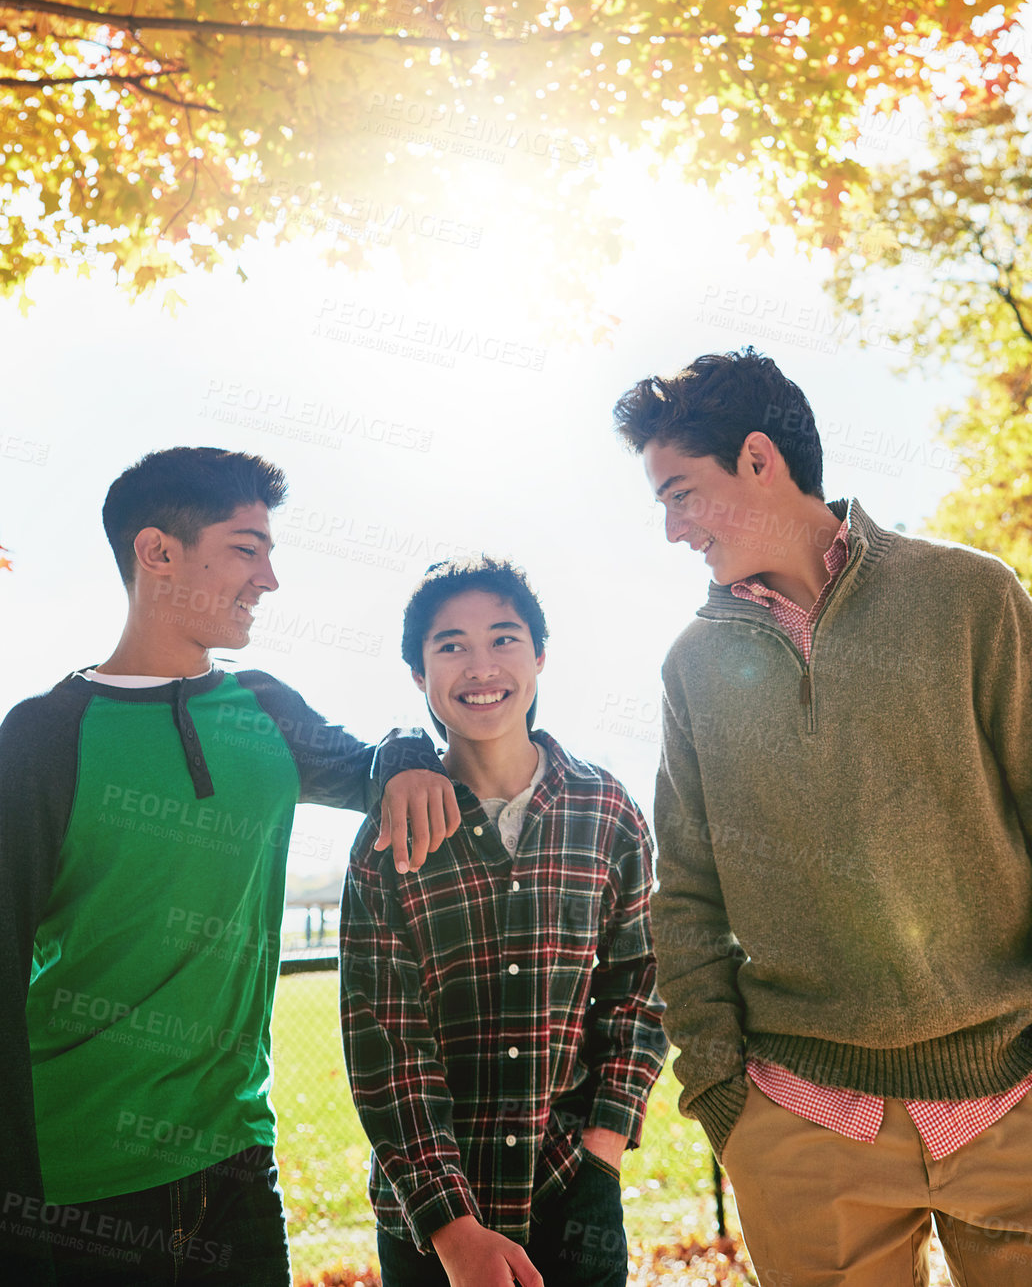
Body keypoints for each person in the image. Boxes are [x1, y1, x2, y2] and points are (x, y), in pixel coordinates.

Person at [611, 347, 1032, 1287]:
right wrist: (727, 1096)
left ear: (755, 458)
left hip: (1026, 1105)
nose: (671, 530)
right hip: (801, 1128)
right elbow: (686, 896)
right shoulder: (692, 665)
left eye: (680, 493)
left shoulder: (968, 596)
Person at [0, 447, 454, 1286]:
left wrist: (410, 748)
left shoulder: (266, 709)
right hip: (70, 1186)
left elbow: (374, 765)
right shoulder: (40, 738)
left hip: (239, 1169)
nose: (270, 579)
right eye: (247, 549)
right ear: (157, 552)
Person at [340, 556, 667, 1287]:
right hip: (429, 1226)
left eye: (504, 638)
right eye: (450, 645)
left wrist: (604, 1147)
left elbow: (640, 986)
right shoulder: (391, 839)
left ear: (541, 655)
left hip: (572, 1195)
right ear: (419, 676)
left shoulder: (606, 812)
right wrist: (455, 1231)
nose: (480, 665)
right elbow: (384, 1042)